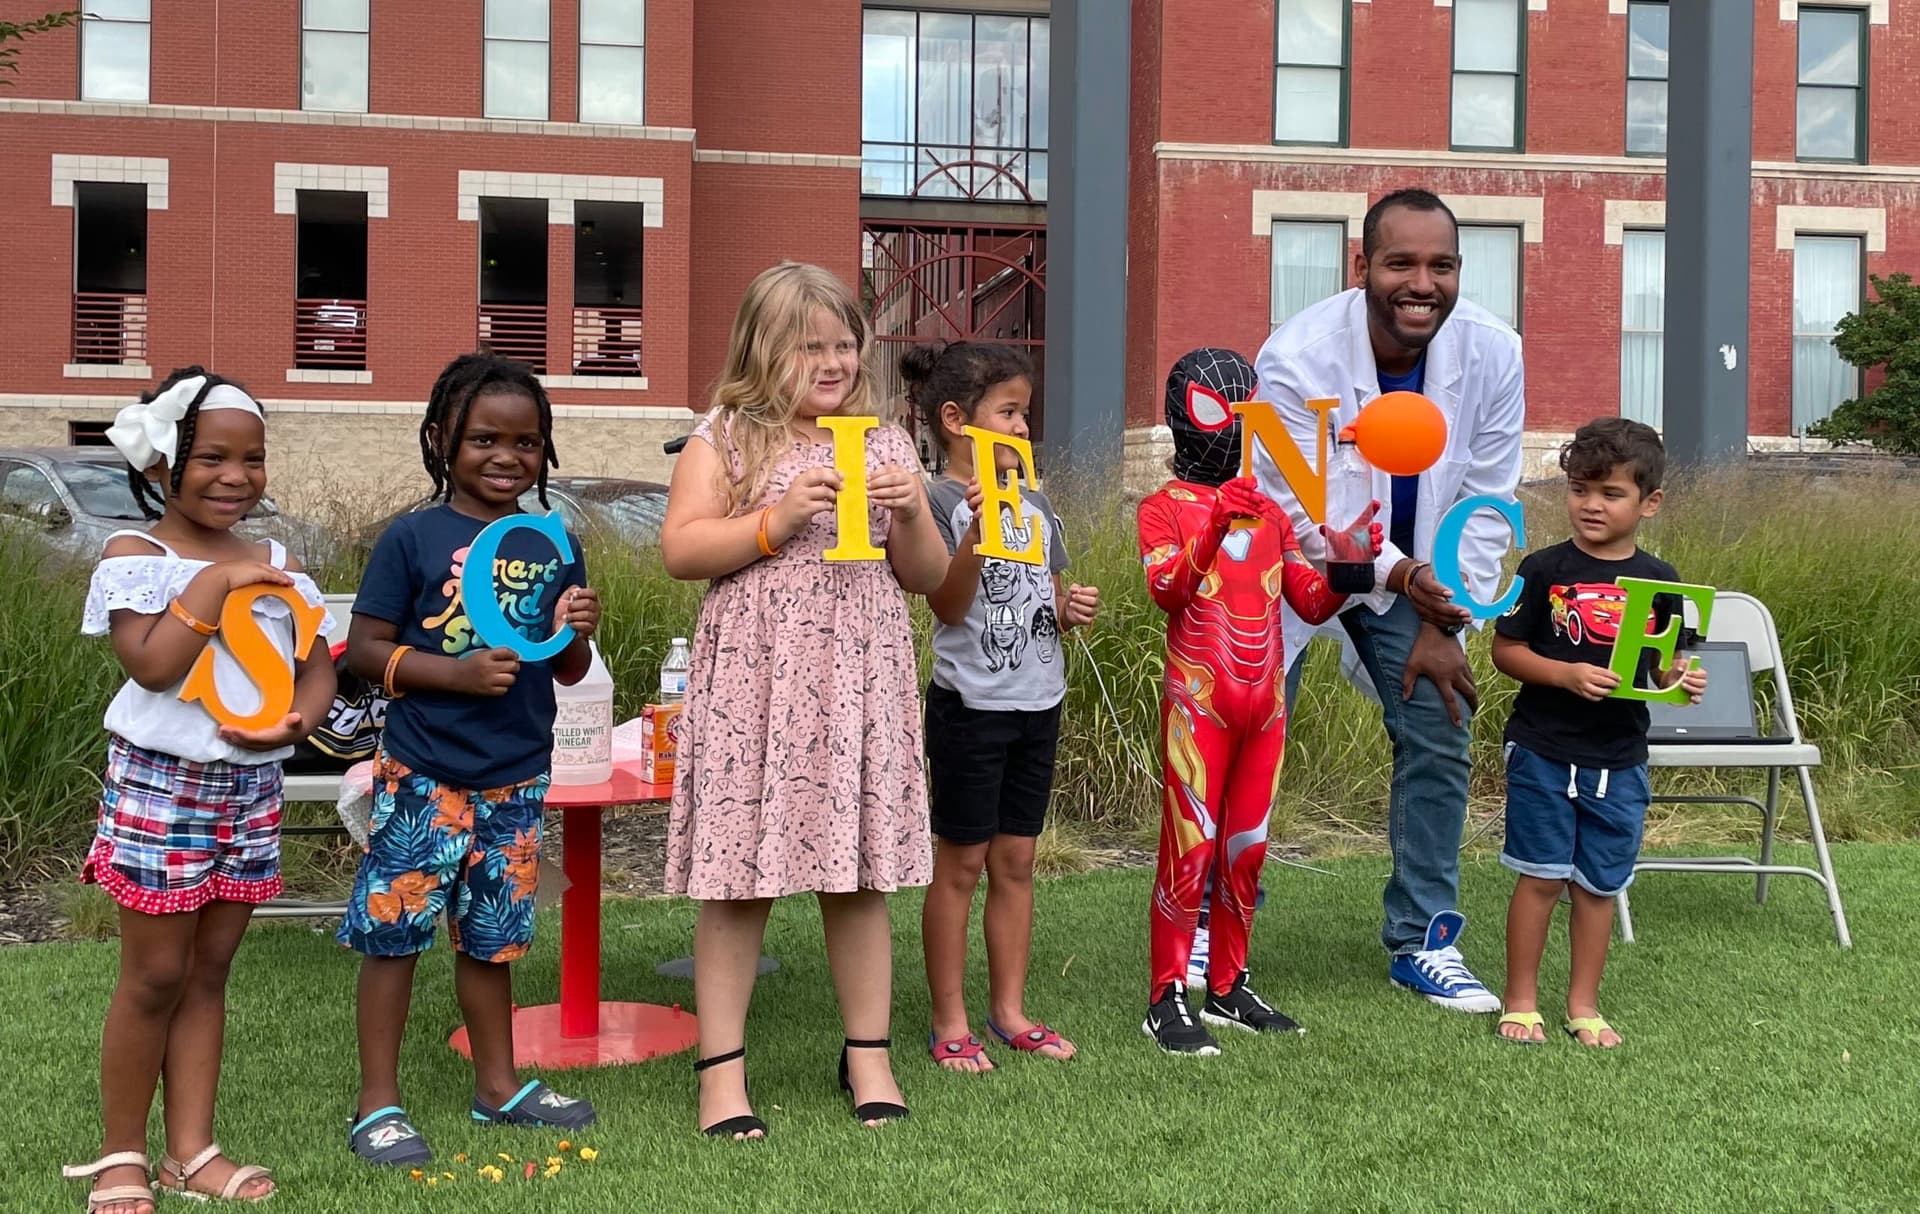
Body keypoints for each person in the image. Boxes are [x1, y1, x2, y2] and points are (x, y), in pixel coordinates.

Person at [660, 262, 948, 1139]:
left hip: (860, 679)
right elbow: (680, 549)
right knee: (739, 881)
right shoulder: (729, 435)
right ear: (762, 351)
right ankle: (722, 1075)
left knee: (859, 878)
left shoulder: (886, 443)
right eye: (808, 347)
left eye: (845, 343)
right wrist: (773, 522)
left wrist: (913, 515)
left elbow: (928, 579)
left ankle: (868, 1057)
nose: (834, 361)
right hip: (759, 681)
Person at [65, 368, 337, 1211]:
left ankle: (192, 1149)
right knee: (153, 975)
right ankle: (119, 1155)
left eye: (252, 458)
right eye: (212, 457)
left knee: (210, 971)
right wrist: (213, 586)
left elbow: (314, 664)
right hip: (161, 785)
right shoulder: (136, 556)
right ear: (161, 467)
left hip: (248, 785)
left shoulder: (281, 562)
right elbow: (149, 664)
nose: (236, 476)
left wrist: (299, 722)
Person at [1254, 188, 1524, 1013]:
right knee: (1248, 731)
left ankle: (1425, 938)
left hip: (1423, 574)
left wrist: (1450, 620)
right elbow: (1308, 516)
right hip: (1298, 564)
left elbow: (1486, 501)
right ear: (1362, 265)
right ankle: (1213, 921)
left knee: (1443, 722)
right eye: (1402, 262)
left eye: (1441, 265)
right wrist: (1406, 578)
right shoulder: (1296, 356)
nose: (1423, 283)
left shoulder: (1494, 351)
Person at [337, 353, 603, 1166]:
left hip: (516, 774)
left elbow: (564, 667)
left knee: (492, 938)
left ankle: (499, 1087)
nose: (506, 456)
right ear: (440, 440)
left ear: (546, 454)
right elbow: (362, 651)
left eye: (527, 442)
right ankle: (377, 1101)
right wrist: (450, 673)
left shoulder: (551, 541)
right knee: (397, 935)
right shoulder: (413, 537)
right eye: (484, 437)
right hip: (426, 771)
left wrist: (577, 631)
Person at [1137, 348, 1381, 1055]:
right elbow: (1167, 592)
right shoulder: (1163, 510)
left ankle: (1229, 984)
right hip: (1200, 704)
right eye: (1218, 407)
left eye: (1244, 407)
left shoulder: (1271, 513)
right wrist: (1215, 528)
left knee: (1246, 850)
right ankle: (1165, 995)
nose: (1228, 425)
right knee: (1189, 847)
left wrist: (1347, 563)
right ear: (1185, 415)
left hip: (1263, 707)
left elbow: (1306, 598)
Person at [908, 340, 1101, 1074]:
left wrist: (1069, 603)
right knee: (960, 865)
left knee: (1017, 860)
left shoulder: (1037, 501)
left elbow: (1044, 593)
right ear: (958, 420)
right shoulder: (935, 502)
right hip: (970, 706)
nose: (1023, 427)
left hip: (1037, 702)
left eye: (1026, 413)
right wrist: (977, 540)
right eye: (1010, 412)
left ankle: (1010, 1010)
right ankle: (949, 1018)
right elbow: (950, 605)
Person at [1491, 418, 1705, 1047]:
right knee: (1541, 877)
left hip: (1620, 756)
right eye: (1581, 488)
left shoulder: (1663, 581)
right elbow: (1507, 650)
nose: (1592, 504)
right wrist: (1563, 673)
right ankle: (1521, 1001)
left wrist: (1682, 681)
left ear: (1650, 503)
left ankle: (1583, 1006)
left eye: (1611, 493)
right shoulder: (1542, 568)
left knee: (1597, 884)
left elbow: (1673, 662)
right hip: (1543, 748)